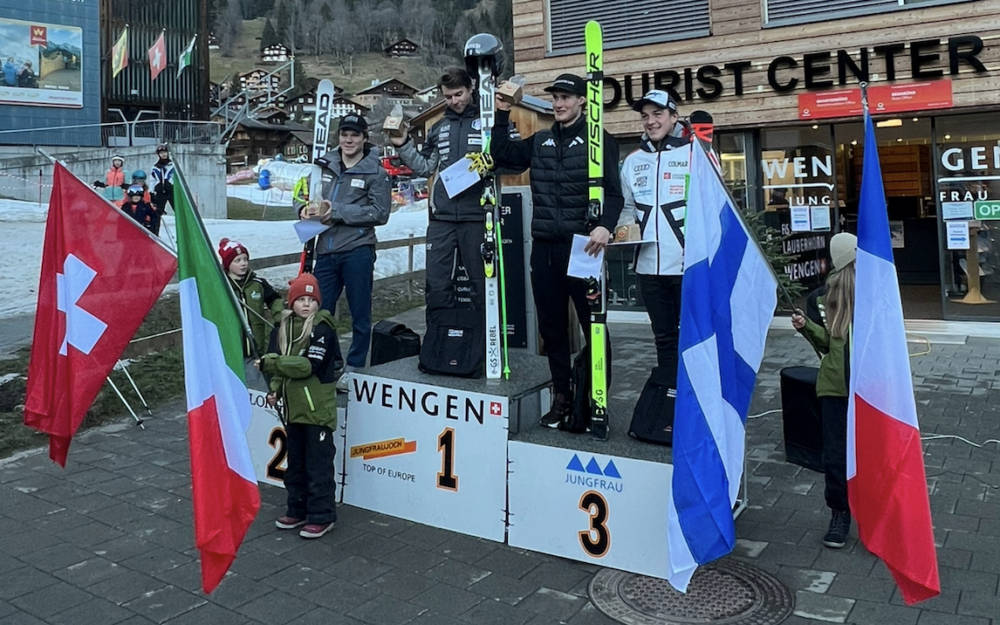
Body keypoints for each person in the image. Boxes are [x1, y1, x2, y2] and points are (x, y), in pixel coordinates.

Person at [491, 73, 624, 427]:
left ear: (582, 101)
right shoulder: (541, 140)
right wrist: (502, 112)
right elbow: (502, 154)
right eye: (555, 98)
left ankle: (596, 399)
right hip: (546, 249)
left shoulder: (600, 142)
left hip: (584, 248)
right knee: (551, 329)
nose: (559, 104)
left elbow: (614, 193)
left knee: (593, 324)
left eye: (566, 97)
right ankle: (562, 397)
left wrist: (604, 225)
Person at [391, 67, 514, 326]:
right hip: (442, 218)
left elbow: (517, 162)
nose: (454, 101)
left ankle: (486, 349)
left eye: (459, 94)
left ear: (470, 90)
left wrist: (493, 162)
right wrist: (403, 144)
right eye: (448, 97)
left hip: (479, 217)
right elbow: (424, 167)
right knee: (436, 285)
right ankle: (439, 344)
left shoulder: (491, 121)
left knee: (483, 286)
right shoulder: (438, 127)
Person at [299, 113, 391, 392]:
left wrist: (335, 212)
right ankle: (331, 359)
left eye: (355, 135)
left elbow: (380, 212)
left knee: (359, 311)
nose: (348, 140)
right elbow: (301, 193)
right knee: (319, 310)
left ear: (364, 138)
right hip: (325, 250)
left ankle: (355, 366)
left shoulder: (376, 172)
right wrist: (301, 210)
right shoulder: (323, 166)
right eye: (344, 134)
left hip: (357, 249)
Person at [618, 90, 691, 420]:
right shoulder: (633, 161)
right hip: (649, 266)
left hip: (688, 266)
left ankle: (694, 402)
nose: (651, 121)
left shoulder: (695, 154)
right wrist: (624, 228)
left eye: (658, 114)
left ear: (674, 117)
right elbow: (627, 208)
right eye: (645, 116)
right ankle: (672, 402)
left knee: (693, 337)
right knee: (663, 337)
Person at [257, 273, 338, 539]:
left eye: (311, 300)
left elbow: (306, 366)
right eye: (301, 300)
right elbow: (283, 363)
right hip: (293, 411)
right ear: (291, 303)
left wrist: (272, 363)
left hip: (316, 412)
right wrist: (275, 389)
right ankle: (297, 508)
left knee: (318, 466)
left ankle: (322, 515)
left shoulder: (323, 328)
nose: (306, 305)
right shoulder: (285, 328)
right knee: (296, 465)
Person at [791, 232, 857, 549]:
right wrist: (808, 328)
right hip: (834, 389)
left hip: (869, 390)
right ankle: (839, 513)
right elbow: (829, 345)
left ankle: (876, 514)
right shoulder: (825, 297)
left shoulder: (875, 293)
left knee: (872, 456)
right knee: (835, 456)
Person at [219, 238, 284, 359]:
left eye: (245, 259)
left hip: (257, 348)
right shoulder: (221, 287)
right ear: (228, 264)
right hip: (232, 349)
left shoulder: (258, 284)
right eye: (237, 261)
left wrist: (279, 318)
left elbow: (275, 300)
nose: (243, 263)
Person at [150, 144, 175, 219]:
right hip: (160, 192)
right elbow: (152, 180)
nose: (163, 154)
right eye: (161, 153)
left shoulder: (173, 165)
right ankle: (155, 229)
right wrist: (151, 192)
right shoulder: (155, 167)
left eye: (164, 152)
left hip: (172, 191)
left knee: (178, 210)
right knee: (157, 213)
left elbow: (178, 179)